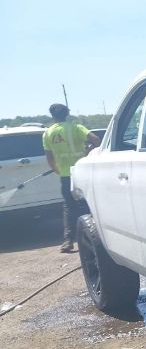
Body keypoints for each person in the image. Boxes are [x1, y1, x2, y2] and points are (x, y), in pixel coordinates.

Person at [42, 104, 100, 252]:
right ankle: (96, 236)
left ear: (52, 116)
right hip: (81, 171)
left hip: (65, 175)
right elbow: (96, 140)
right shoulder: (77, 128)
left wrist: (58, 170)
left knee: (69, 206)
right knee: (88, 203)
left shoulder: (48, 133)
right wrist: (88, 152)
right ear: (67, 114)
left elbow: (49, 158)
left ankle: (68, 241)